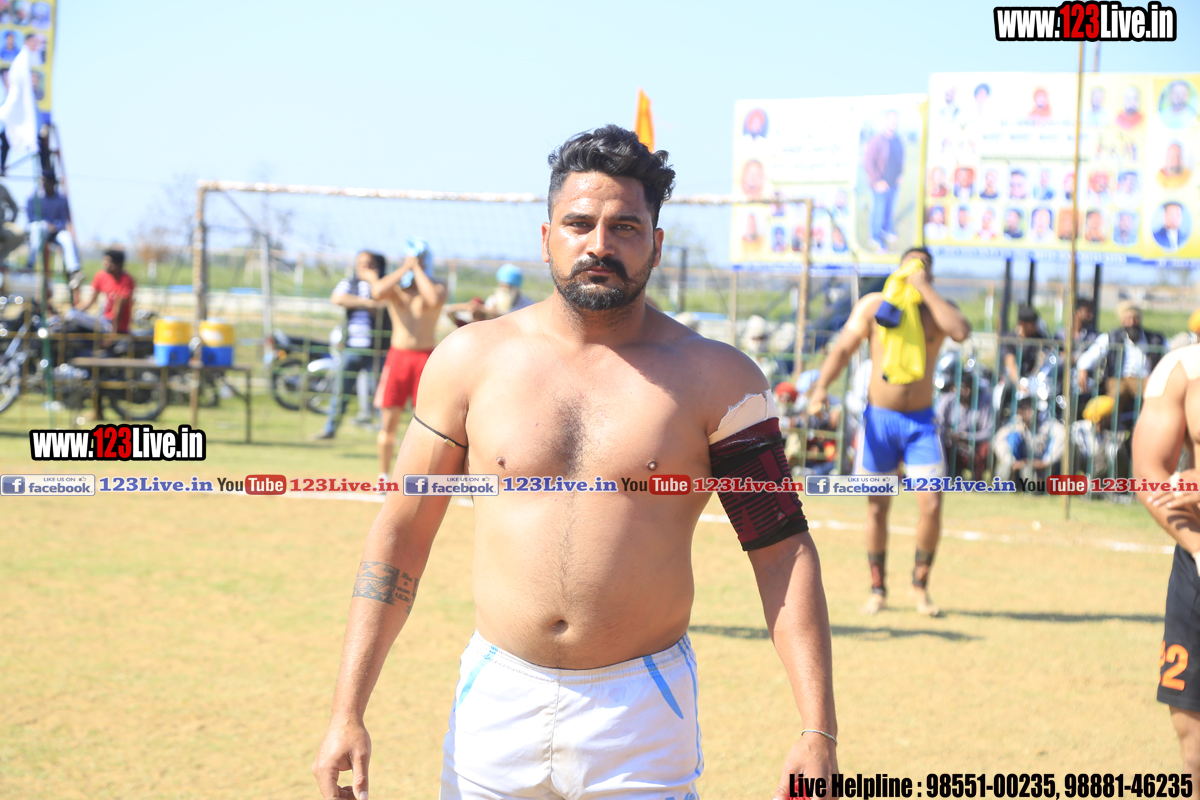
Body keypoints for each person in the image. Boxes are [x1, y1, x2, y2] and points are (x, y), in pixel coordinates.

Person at [312, 125, 838, 800]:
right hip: (497, 696)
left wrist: (817, 729)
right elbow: (402, 533)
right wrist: (347, 710)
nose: (599, 244)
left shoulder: (720, 380)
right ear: (546, 238)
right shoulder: (470, 360)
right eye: (580, 223)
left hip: (641, 707)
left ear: (657, 244)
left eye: (626, 227)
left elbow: (781, 552)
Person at [808, 247, 971, 617]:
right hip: (879, 422)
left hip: (921, 424)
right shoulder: (875, 307)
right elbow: (843, 349)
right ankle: (877, 589)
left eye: (923, 266)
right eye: (910, 264)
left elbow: (961, 331)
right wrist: (820, 389)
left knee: (932, 505)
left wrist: (924, 288)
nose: (915, 270)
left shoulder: (937, 311)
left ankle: (920, 586)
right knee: (877, 508)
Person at [1131, 342, 1200, 783]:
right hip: (1196, 561)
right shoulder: (1182, 370)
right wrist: (1198, 549)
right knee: (1192, 743)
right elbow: (1150, 473)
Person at [357, 238, 447, 482]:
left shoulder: (438, 284)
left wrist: (417, 269)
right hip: (398, 358)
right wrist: (406, 267)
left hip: (426, 359)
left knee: (430, 425)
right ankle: (383, 476)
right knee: (388, 423)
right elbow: (377, 292)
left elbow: (433, 300)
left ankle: (427, 477)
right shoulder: (396, 289)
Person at [312, 251, 389, 441]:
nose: (362, 267)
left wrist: (374, 282)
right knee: (341, 391)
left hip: (376, 349)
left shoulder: (383, 284)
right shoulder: (350, 283)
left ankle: (385, 433)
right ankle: (329, 429)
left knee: (380, 393)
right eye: (360, 263)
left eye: (368, 264)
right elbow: (337, 298)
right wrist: (365, 303)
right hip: (351, 348)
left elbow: (384, 303)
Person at [1077, 301, 1166, 415]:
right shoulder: (1111, 338)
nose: (1131, 322)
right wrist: (1082, 369)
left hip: (1145, 380)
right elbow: (1090, 355)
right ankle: (1107, 423)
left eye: (1135, 318)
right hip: (1118, 379)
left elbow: (1169, 356)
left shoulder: (1154, 339)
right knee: (1116, 394)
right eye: (1128, 318)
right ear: (1122, 321)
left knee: (1155, 394)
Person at [992, 394, 1065, 484]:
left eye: (1033, 409)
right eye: (1027, 409)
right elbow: (998, 441)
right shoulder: (1014, 425)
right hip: (1018, 463)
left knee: (1031, 476)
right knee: (1011, 440)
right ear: (1020, 411)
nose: (1031, 413)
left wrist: (1046, 462)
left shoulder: (1046, 424)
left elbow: (1062, 436)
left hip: (1041, 464)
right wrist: (1012, 462)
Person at [935, 368, 993, 479]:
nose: (968, 391)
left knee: (987, 448)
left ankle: (977, 481)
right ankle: (948, 477)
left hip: (974, 447)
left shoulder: (985, 402)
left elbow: (988, 432)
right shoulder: (946, 401)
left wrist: (966, 437)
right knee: (939, 445)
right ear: (955, 388)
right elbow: (938, 426)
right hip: (952, 446)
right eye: (964, 387)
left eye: (970, 387)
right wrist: (950, 436)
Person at [863, 110, 904, 250]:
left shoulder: (898, 140)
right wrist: (877, 180)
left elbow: (900, 159)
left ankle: (886, 230)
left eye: (896, 120)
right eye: (891, 120)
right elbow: (868, 162)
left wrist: (900, 174)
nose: (894, 123)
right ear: (885, 121)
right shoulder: (876, 140)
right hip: (879, 185)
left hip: (893, 184)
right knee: (878, 212)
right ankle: (875, 237)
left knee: (889, 210)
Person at [26, 175, 80, 277]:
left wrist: (56, 227)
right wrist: (46, 225)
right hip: (37, 229)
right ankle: (30, 264)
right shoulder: (34, 197)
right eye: (44, 183)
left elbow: (63, 219)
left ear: (54, 184)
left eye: (49, 183)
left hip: (55, 232)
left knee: (67, 238)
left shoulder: (61, 199)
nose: (46, 185)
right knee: (41, 228)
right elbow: (31, 217)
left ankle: (73, 270)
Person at [446, 263, 535, 325]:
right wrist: (469, 306)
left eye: (508, 287)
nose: (505, 290)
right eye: (503, 286)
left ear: (515, 288)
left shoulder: (527, 305)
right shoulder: (493, 300)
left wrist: (487, 310)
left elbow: (510, 319)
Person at [76, 249, 134, 334]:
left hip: (115, 325)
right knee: (72, 314)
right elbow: (91, 301)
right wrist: (76, 310)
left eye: (108, 262)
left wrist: (113, 335)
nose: (105, 264)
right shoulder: (101, 275)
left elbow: (118, 308)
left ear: (118, 265)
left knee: (73, 316)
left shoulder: (126, 280)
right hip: (103, 320)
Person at [1003, 305, 1045, 386]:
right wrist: (1018, 384)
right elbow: (1010, 363)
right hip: (1013, 379)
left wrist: (1032, 381)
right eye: (1032, 323)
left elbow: (1042, 359)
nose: (1035, 326)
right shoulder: (1011, 338)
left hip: (1033, 379)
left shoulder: (1039, 338)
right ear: (1022, 323)